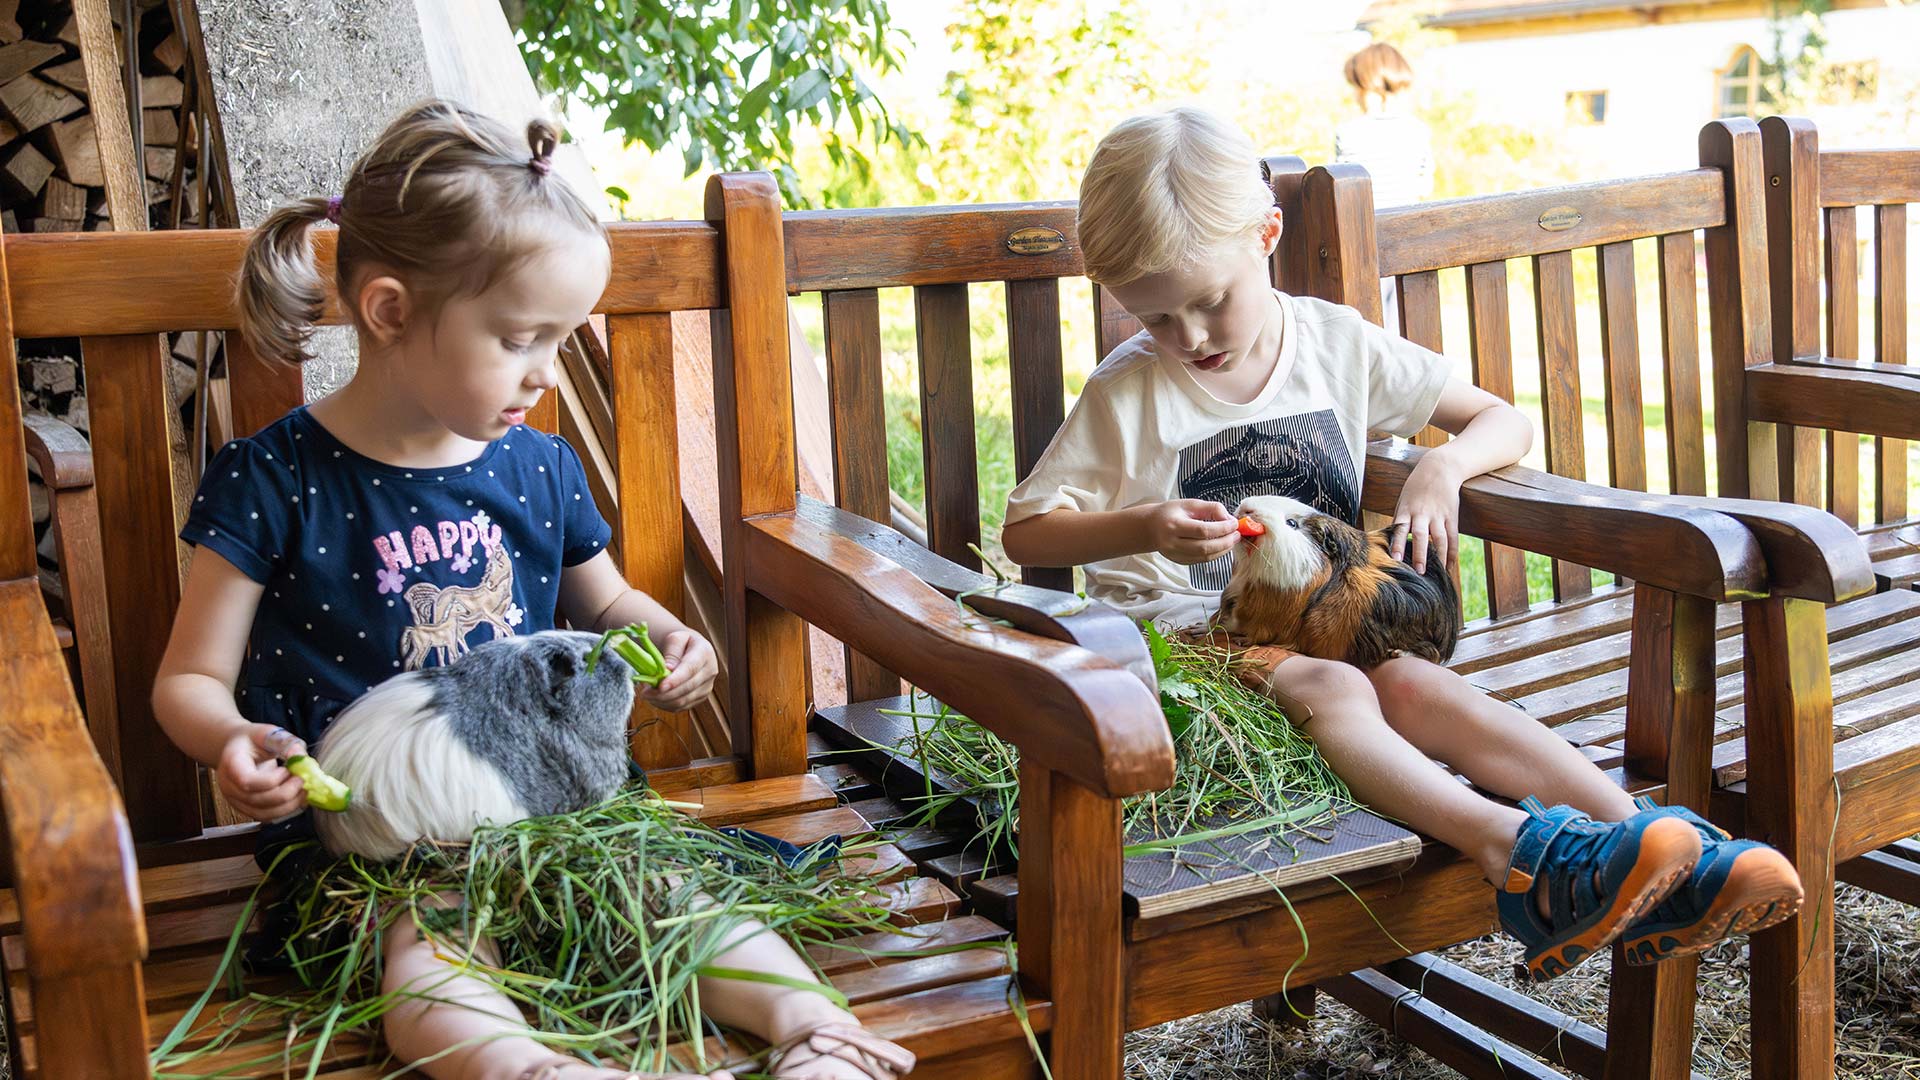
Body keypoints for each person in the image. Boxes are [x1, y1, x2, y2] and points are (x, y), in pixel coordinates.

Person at [151, 99, 912, 1080]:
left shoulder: (538, 468)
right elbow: (189, 679)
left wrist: (665, 636)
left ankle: (819, 1038)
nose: (544, 372)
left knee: (673, 892)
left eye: (561, 340)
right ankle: (540, 1073)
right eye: (520, 339)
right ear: (388, 312)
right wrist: (230, 741)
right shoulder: (275, 481)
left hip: (555, 816)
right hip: (389, 844)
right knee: (429, 959)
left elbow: (606, 605)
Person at [1002, 106, 1806, 983]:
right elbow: (1028, 528)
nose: (1188, 338)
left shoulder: (1334, 345)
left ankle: (1671, 851)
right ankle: (1518, 855)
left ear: (1266, 235)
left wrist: (1442, 469)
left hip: (1318, 626)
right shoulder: (1129, 392)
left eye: (1208, 302)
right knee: (1334, 683)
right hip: (1182, 647)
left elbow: (1503, 418)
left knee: (1416, 683)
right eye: (1156, 318)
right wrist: (1141, 524)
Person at [1332, 41, 1434, 325]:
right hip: (1409, 239)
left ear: (1368, 85)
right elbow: (1424, 187)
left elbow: (1342, 191)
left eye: (1356, 87)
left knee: (1373, 323)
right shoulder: (1418, 131)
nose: (1354, 95)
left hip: (1363, 242)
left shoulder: (1348, 132)